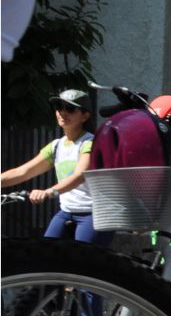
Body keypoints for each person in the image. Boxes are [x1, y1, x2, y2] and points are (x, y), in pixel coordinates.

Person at [3, 89, 112, 247]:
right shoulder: (56, 146)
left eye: (70, 108)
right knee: (45, 254)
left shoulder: (90, 143)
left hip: (94, 214)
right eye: (59, 107)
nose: (62, 112)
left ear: (85, 116)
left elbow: (79, 176)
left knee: (85, 259)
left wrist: (49, 192)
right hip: (67, 211)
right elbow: (22, 172)